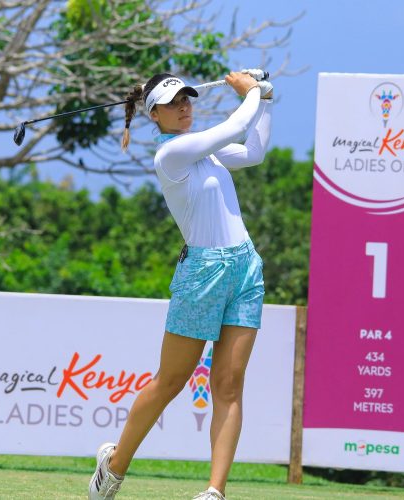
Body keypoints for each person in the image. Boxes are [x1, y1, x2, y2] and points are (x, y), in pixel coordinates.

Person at [87, 70, 273, 500]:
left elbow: (254, 151)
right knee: (171, 381)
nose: (184, 107)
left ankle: (214, 492)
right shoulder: (172, 154)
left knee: (228, 384)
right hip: (203, 274)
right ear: (155, 114)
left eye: (187, 99)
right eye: (173, 103)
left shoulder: (205, 152)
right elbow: (234, 126)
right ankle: (113, 468)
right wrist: (249, 94)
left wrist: (266, 100)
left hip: (245, 266)